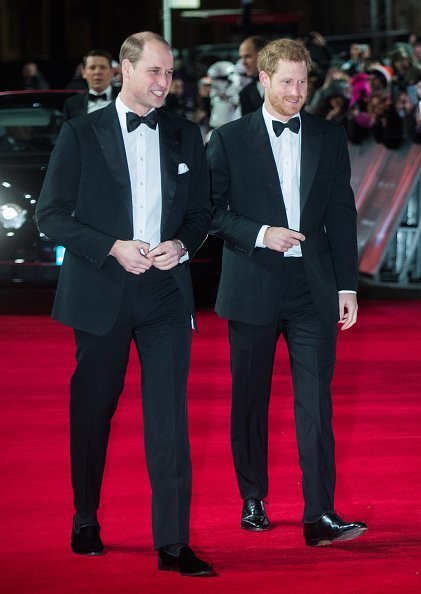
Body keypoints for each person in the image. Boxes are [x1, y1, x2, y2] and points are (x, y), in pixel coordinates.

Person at [35, 31, 214, 577]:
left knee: (169, 420)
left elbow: (202, 213)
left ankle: (173, 543)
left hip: (164, 294)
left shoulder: (186, 134)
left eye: (169, 73)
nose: (164, 83)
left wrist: (180, 245)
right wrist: (111, 247)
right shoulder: (81, 132)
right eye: (154, 72)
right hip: (100, 293)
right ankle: (85, 516)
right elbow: (52, 216)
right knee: (92, 413)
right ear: (125, 70)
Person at [207, 38, 368, 547]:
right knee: (250, 399)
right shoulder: (229, 138)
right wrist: (260, 232)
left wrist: (348, 285)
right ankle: (253, 496)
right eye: (287, 83)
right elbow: (209, 211)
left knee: (316, 403)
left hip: (313, 287)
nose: (297, 92)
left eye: (303, 82)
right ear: (264, 80)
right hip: (253, 280)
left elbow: (342, 213)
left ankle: (319, 513)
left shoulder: (328, 135)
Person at [63, 49, 119, 120]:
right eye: (92, 68)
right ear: (83, 72)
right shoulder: (71, 104)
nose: (97, 72)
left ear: (112, 71)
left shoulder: (126, 99)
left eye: (102, 67)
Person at [238, 35, 266, 115]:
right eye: (241, 57)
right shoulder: (245, 93)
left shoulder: (288, 84)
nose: (243, 62)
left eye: (247, 56)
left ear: (263, 54)